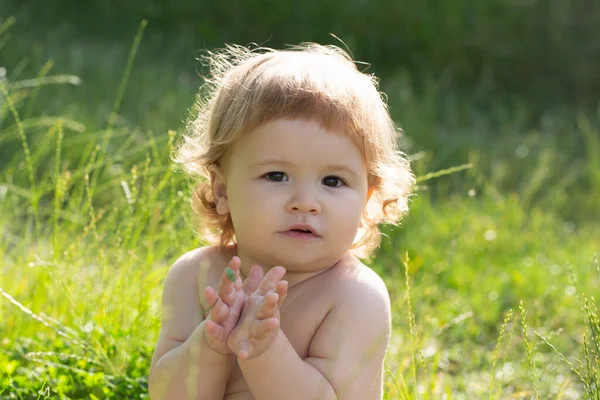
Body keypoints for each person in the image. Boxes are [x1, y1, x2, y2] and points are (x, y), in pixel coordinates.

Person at [148, 42, 415, 400]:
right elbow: (167, 395)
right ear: (223, 191)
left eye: (332, 181)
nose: (305, 203)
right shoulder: (196, 276)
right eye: (276, 176)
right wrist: (212, 344)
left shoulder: (354, 296)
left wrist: (264, 350)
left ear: (366, 200)